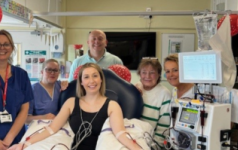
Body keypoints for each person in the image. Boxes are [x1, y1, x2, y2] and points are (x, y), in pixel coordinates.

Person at [9, 63, 143, 150]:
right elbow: (51, 129)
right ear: (81, 82)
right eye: (86, 77)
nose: (91, 81)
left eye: (95, 76)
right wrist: (24, 144)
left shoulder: (112, 106)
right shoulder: (71, 103)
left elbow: (121, 135)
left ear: (101, 79)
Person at [134, 58, 171, 149]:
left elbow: (163, 127)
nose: (147, 76)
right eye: (144, 72)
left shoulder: (164, 94)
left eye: (152, 73)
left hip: (150, 143)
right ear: (139, 74)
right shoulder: (136, 88)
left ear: (158, 75)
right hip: (133, 138)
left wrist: (154, 147)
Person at [26, 59, 68, 123]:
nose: (52, 73)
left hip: (58, 126)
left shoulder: (62, 86)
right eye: (49, 70)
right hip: (38, 127)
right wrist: (43, 117)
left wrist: (68, 87)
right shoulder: (32, 90)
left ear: (59, 73)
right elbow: (25, 119)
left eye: (55, 70)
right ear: (42, 72)